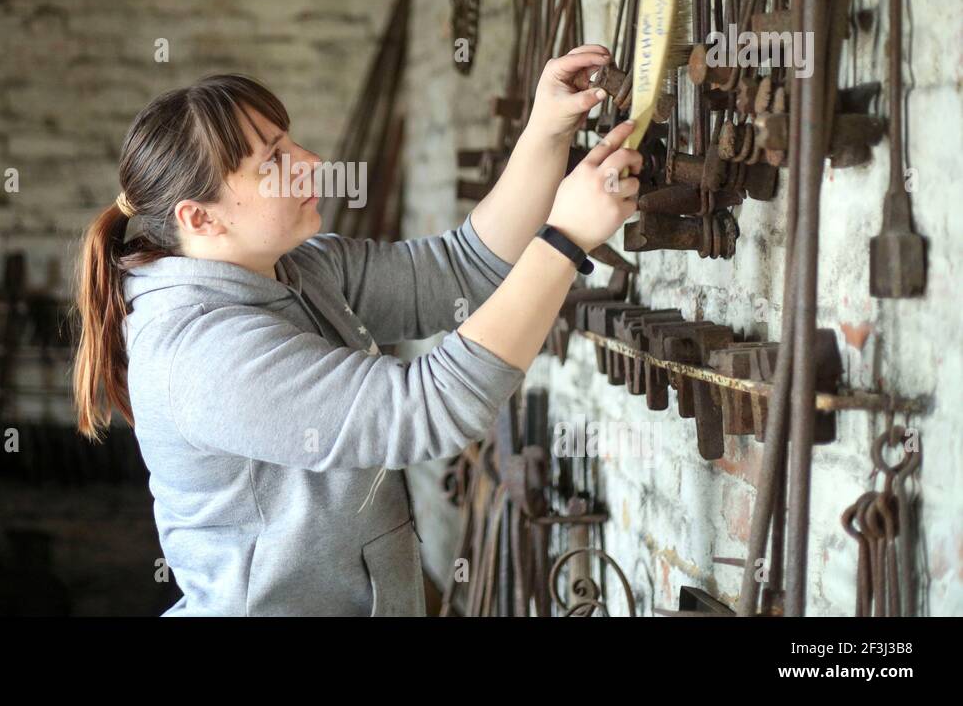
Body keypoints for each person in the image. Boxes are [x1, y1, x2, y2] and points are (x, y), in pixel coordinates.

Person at [72, 45, 641, 615]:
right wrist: (563, 241)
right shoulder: (202, 354)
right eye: (273, 161)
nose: (313, 161)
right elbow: (429, 408)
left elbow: (459, 270)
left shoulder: (299, 268)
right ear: (200, 217)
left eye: (290, 142)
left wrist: (545, 130)